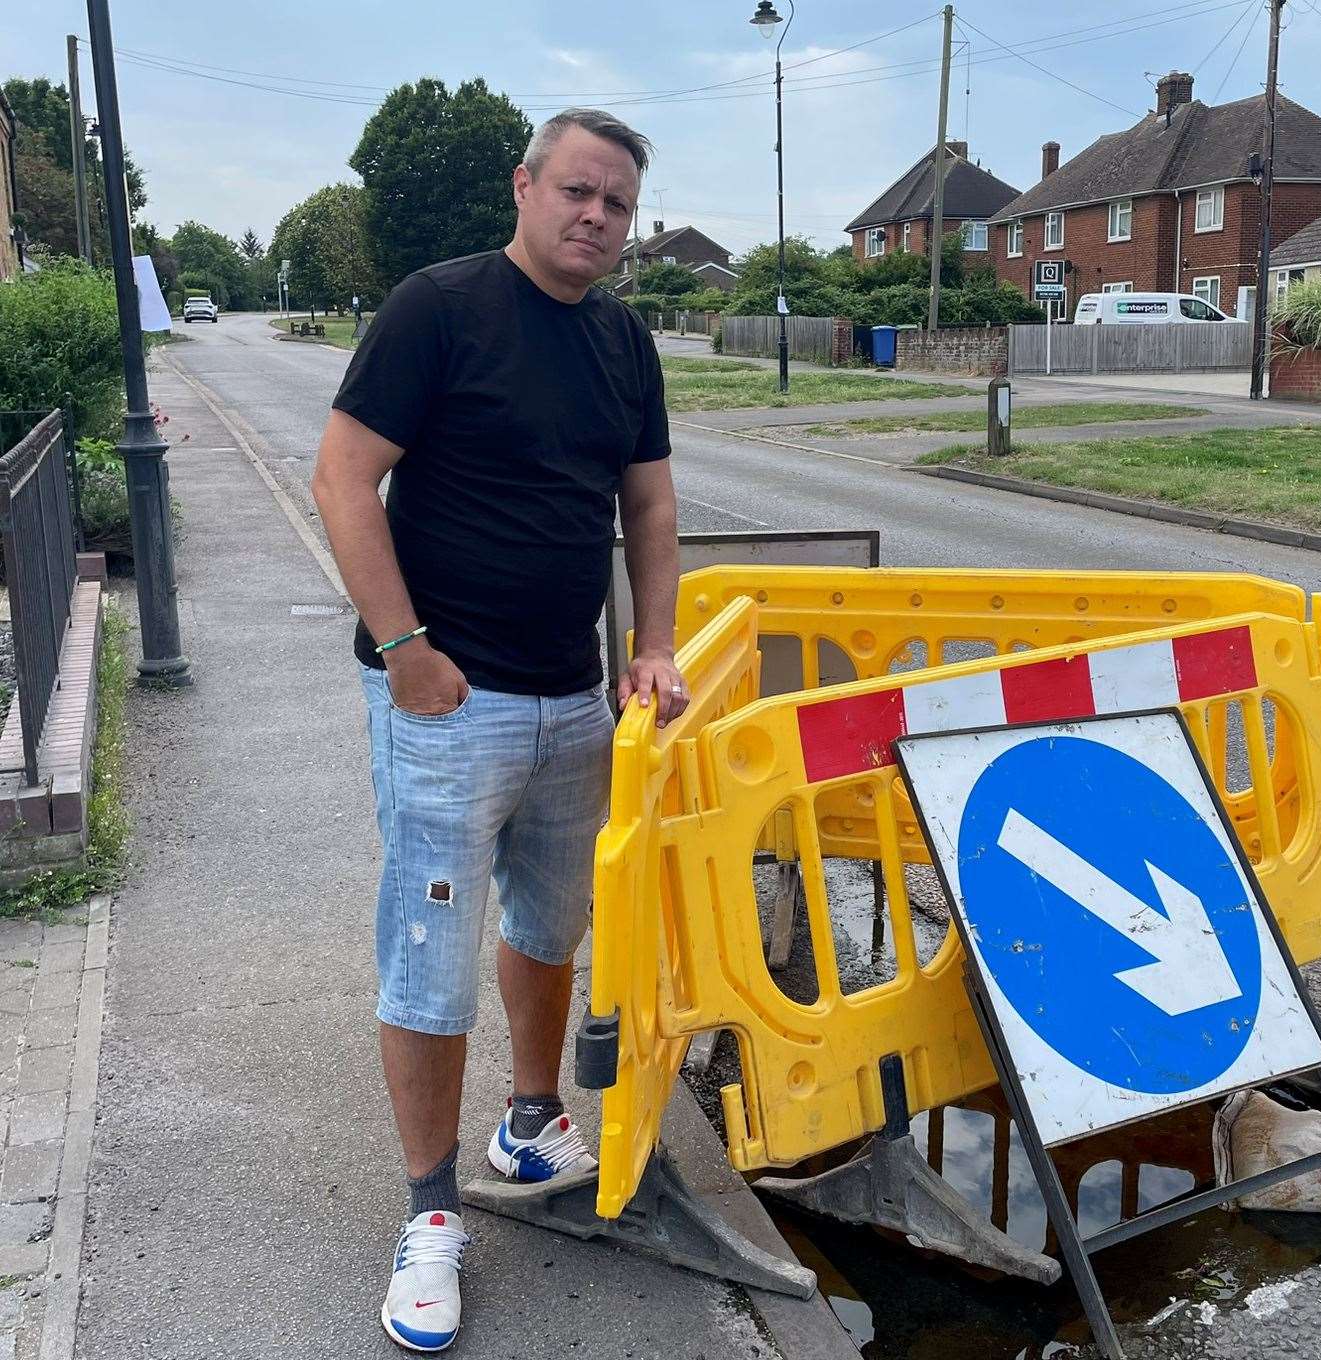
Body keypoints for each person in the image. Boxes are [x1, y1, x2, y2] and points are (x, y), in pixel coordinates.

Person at [310, 107, 687, 1354]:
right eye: (577, 190)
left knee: (548, 923)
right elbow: (342, 475)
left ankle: (529, 1118)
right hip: (446, 703)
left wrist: (652, 647)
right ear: (525, 186)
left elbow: (649, 503)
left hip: (573, 698)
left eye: (617, 204)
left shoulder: (626, 343)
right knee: (430, 949)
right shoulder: (440, 308)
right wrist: (407, 650)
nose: (596, 217)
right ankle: (429, 1216)